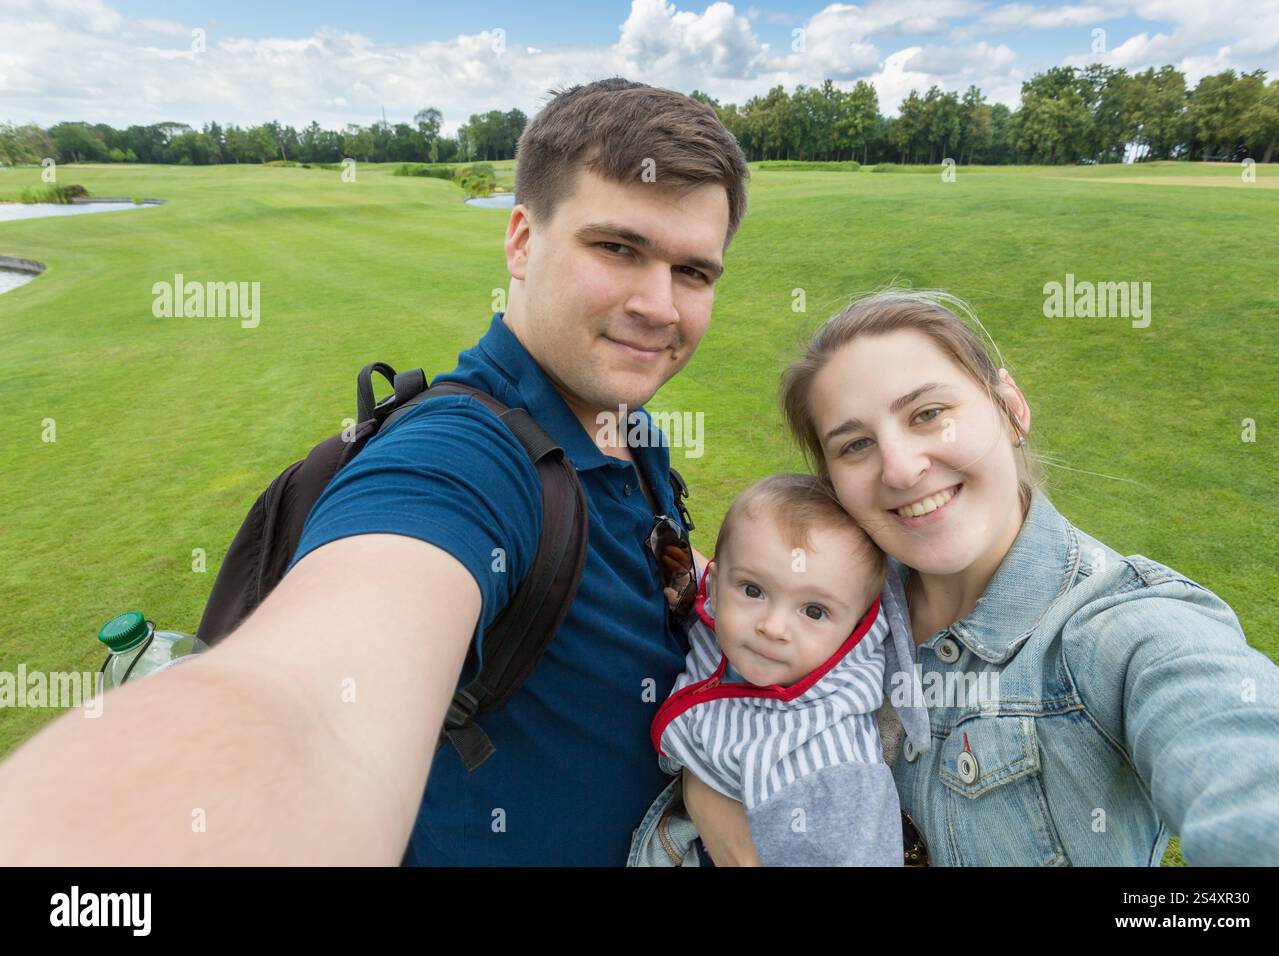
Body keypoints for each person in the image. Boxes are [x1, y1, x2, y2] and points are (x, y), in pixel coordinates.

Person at [0, 78, 749, 865]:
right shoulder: (461, 459)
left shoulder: (625, 425)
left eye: (693, 272)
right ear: (523, 241)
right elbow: (302, 706)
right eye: (619, 248)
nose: (660, 306)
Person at [682, 289, 1279, 866]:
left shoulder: (1123, 630)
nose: (899, 468)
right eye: (855, 445)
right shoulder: (820, 597)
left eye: (927, 414)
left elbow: (1255, 768)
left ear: (1010, 409)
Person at [650, 473, 904, 866]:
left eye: (814, 611)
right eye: (754, 590)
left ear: (854, 632)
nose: (773, 627)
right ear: (715, 589)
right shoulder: (723, 628)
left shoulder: (832, 766)